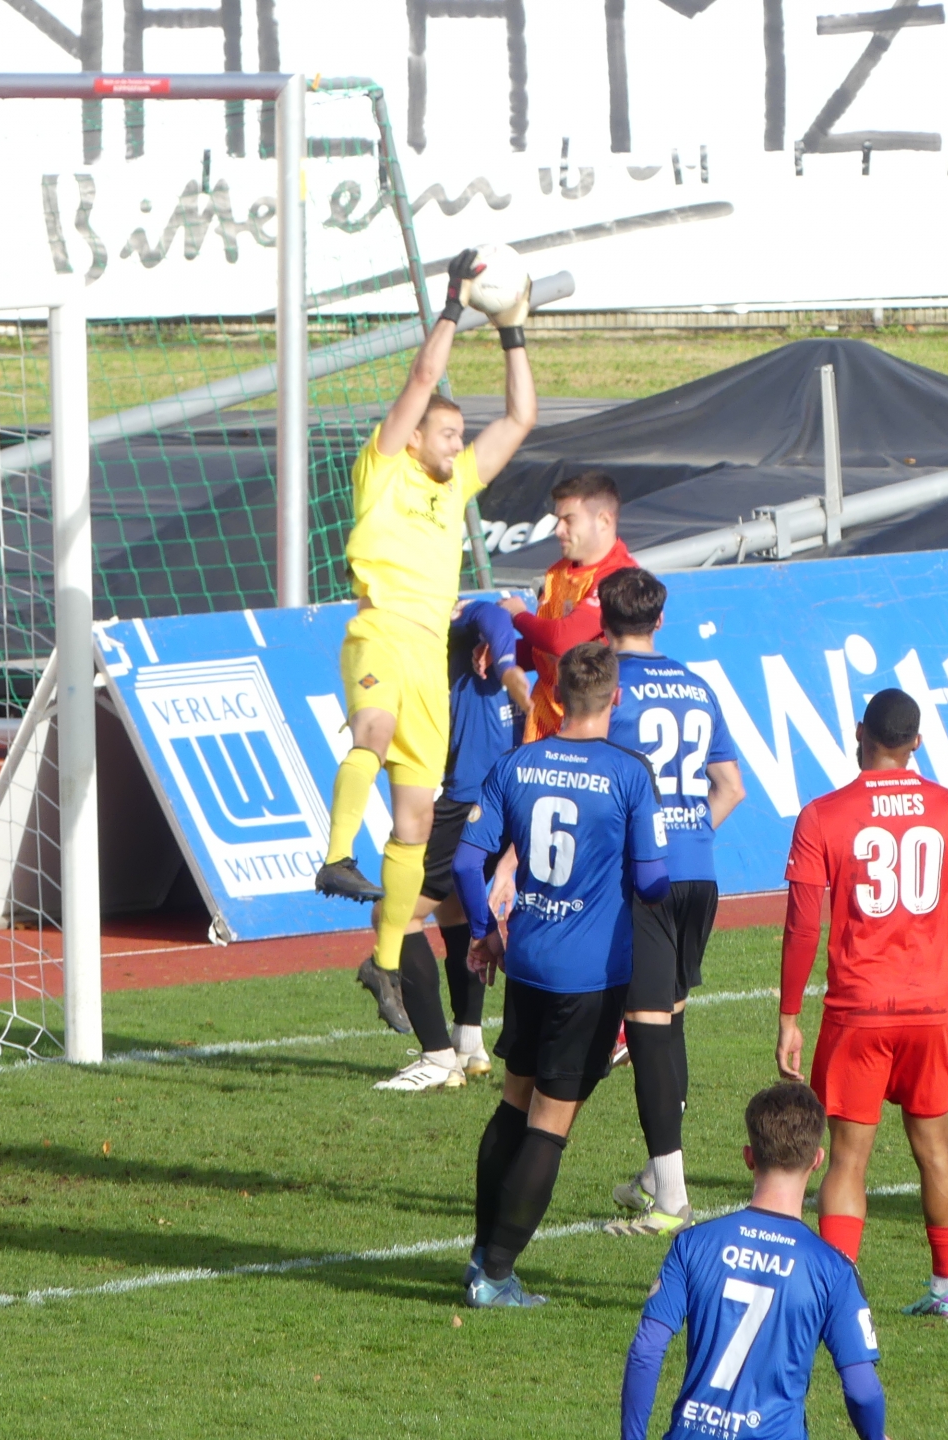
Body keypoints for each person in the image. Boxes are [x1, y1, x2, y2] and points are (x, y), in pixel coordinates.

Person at [310, 249, 538, 1038]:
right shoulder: (384, 470)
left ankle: (382, 961)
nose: (455, 441)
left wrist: (512, 332)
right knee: (370, 735)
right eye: (445, 431)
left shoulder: (455, 485)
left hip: (428, 656)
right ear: (410, 439)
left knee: (414, 822)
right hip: (379, 631)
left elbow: (520, 420)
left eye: (458, 433)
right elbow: (420, 379)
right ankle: (337, 855)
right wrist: (452, 306)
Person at [777, 688, 948, 1322]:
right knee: (935, 1150)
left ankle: (838, 1302)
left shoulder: (823, 815)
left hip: (858, 1011)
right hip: (931, 1011)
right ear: (917, 742)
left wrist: (789, 1016)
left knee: (848, 1159)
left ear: (861, 733)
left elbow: (803, 926)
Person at [452, 643, 668, 1306]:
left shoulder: (517, 764)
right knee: (550, 1123)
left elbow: (465, 863)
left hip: (530, 961)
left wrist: (487, 932)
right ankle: (496, 1274)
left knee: (513, 1103)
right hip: (590, 974)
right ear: (616, 699)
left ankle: (480, 1255)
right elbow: (653, 880)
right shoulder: (629, 772)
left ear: (555, 697)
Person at [598, 567, 746, 1237]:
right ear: (660, 620)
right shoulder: (695, 684)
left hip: (646, 877)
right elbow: (731, 785)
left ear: (603, 620)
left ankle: (672, 1201)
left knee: (648, 1031)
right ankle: (659, 1179)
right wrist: (690, 832)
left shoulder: (607, 686)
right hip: (698, 872)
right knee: (670, 1023)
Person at [620, 1082, 888, 1440]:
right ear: (817, 1160)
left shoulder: (693, 1244)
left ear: (749, 1157)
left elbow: (646, 1349)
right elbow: (862, 1389)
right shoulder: (832, 1269)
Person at [374, 599, 529, 1090]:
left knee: (394, 916)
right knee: (454, 911)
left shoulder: (459, 630)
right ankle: (468, 1041)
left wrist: (506, 666)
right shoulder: (449, 648)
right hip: (502, 798)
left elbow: (492, 613)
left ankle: (437, 1057)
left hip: (470, 800)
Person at [500, 471, 635, 741]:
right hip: (544, 724)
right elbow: (543, 649)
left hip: (589, 731)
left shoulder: (619, 576)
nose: (558, 530)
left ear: (604, 520)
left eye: (569, 520)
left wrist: (517, 614)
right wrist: (500, 652)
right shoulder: (558, 572)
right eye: (558, 520)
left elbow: (563, 640)